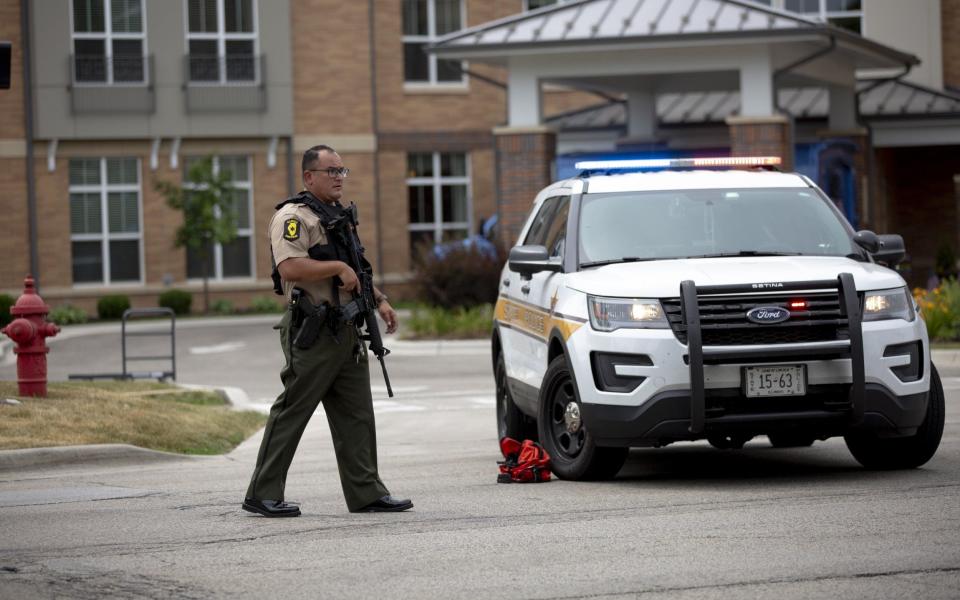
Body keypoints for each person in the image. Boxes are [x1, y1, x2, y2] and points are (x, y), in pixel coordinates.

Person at [242, 145, 412, 516]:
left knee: (357, 415)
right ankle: (262, 492)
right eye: (330, 171)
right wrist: (335, 268)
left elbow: (356, 268)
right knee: (292, 411)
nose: (338, 177)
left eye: (342, 170)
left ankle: (366, 492)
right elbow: (290, 267)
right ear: (309, 177)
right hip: (314, 329)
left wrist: (379, 300)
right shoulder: (293, 217)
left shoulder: (338, 216)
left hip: (348, 327)